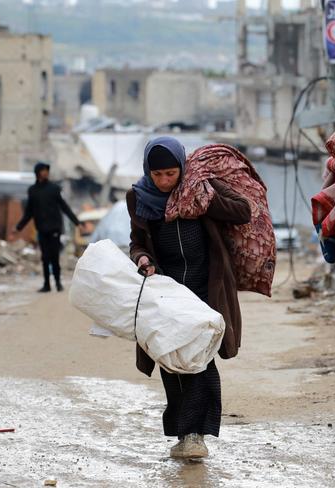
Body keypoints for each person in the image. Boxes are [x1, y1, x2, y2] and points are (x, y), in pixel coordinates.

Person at [127, 136, 251, 459]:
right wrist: (142, 259)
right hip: (166, 295)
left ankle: (196, 435)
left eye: (171, 174)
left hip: (204, 291)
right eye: (158, 176)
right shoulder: (139, 198)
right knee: (171, 361)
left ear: (182, 167)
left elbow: (242, 211)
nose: (165, 181)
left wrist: (207, 198)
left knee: (200, 358)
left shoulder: (202, 186)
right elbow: (137, 242)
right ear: (148, 173)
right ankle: (183, 434)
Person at [16, 162, 82, 293]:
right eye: (43, 170)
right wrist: (18, 228)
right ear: (37, 173)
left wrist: (76, 222)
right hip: (41, 229)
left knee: (54, 257)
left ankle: (58, 283)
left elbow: (64, 207)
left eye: (47, 170)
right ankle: (46, 284)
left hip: (54, 229)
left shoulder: (54, 189)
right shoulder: (33, 191)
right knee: (44, 258)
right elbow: (29, 212)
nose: (46, 172)